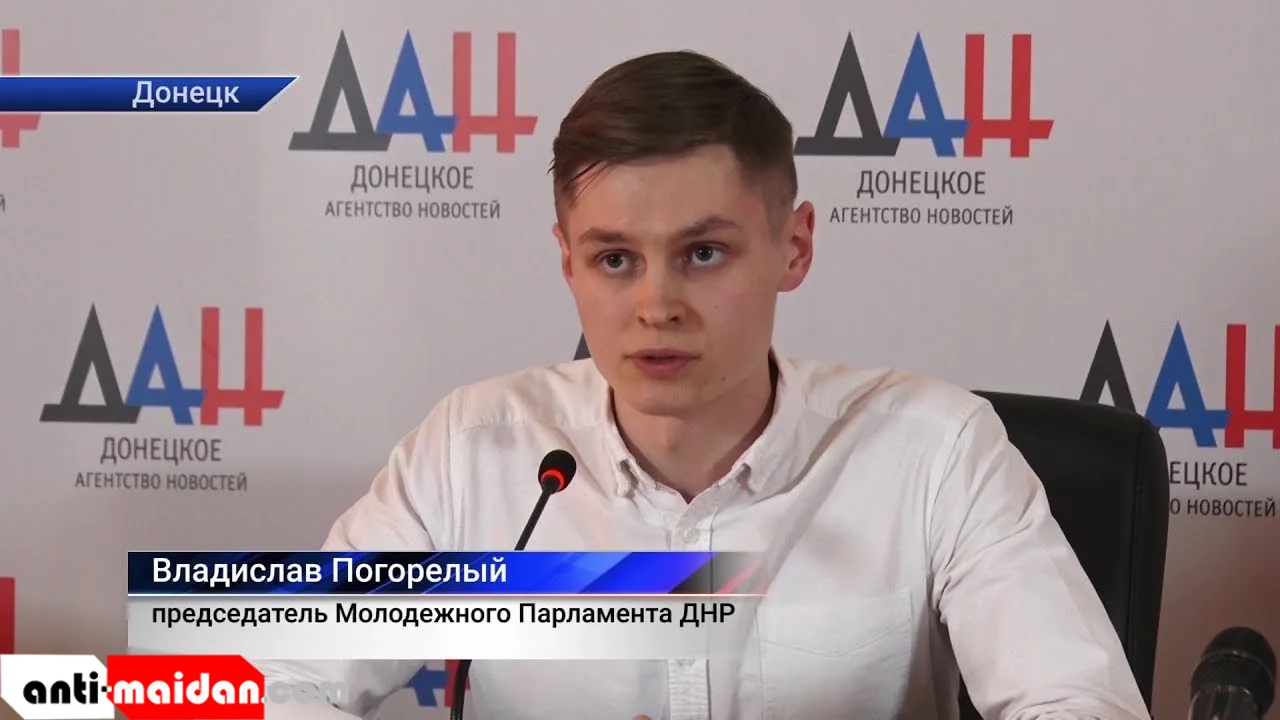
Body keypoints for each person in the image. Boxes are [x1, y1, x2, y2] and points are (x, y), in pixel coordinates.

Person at [259, 50, 1151, 720]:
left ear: (793, 248)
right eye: (616, 259)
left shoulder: (936, 451)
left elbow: (1077, 704)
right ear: (567, 262)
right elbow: (273, 679)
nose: (657, 306)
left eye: (704, 253)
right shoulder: (474, 450)